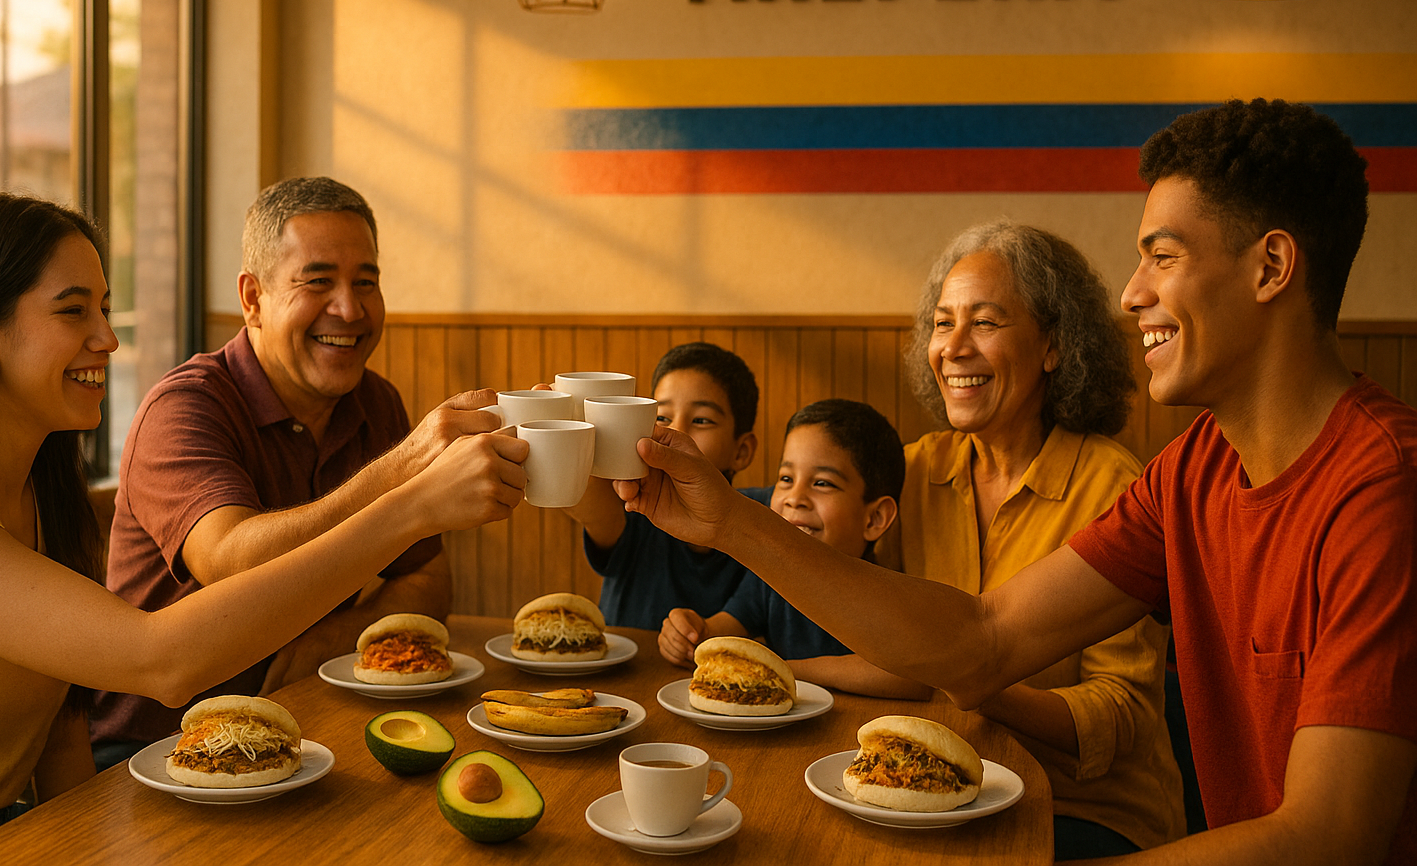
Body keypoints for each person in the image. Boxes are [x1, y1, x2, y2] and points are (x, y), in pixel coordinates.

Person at [617, 99, 1417, 864]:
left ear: (1272, 266)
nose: (1133, 292)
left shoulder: (1383, 490)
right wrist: (727, 522)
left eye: (1162, 257)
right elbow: (988, 639)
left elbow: (1329, 838)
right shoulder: (1193, 471)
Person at [0, 193, 525, 864]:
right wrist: (410, 501)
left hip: (8, 830)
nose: (107, 337)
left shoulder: (41, 488)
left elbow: (61, 733)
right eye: (74, 311)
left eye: (104, 308)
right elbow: (159, 660)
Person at [92, 177, 500, 768]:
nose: (350, 309)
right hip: (150, 752)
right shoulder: (184, 407)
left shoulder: (374, 403)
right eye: (318, 281)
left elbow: (428, 584)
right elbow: (231, 560)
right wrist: (406, 468)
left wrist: (328, 640)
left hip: (302, 732)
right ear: (252, 298)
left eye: (367, 282)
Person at [872, 221, 1182, 859]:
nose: (953, 347)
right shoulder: (908, 473)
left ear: (1053, 346)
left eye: (984, 322)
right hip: (941, 793)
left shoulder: (1114, 485)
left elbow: (1122, 715)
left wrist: (974, 679)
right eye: (941, 322)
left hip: (1087, 813)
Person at [660, 398, 928, 699]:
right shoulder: (772, 579)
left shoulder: (885, 588)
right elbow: (723, 631)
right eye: (786, 479)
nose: (794, 498)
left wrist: (785, 670)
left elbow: (911, 677)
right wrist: (690, 633)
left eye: (823, 483)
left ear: (875, 518)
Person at [569, 342, 766, 630]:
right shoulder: (633, 505)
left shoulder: (765, 519)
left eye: (701, 420)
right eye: (661, 418)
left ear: (742, 451)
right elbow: (583, 496)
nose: (676, 433)